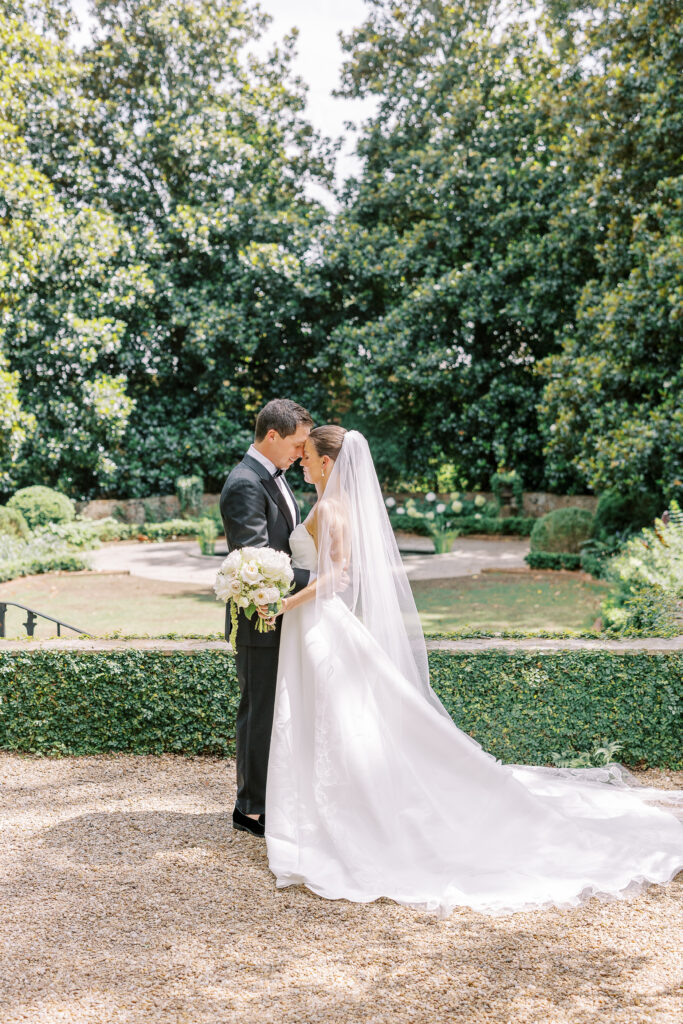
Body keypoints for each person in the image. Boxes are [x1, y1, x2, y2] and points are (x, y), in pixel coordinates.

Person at [263, 426, 683, 916]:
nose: (304, 461)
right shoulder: (332, 503)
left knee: (333, 719)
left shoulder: (333, 508)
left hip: (317, 622)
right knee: (329, 718)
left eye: (310, 456)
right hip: (314, 624)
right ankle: (318, 810)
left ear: (329, 463)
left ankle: (341, 815)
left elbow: (340, 575)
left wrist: (287, 600)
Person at [220, 398, 313, 837]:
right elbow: (257, 564)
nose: (301, 452)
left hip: (282, 615)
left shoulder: (274, 474)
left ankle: (271, 795)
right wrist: (323, 578)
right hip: (260, 619)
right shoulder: (244, 483)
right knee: (259, 709)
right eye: (296, 444)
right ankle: (250, 809)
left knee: (276, 709)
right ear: (272, 436)